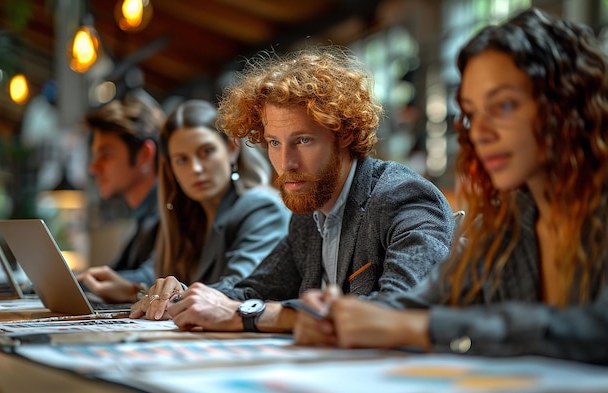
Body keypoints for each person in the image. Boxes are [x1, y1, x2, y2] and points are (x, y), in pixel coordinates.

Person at [293, 7, 608, 365]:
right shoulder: (504, 222)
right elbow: (426, 302)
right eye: (472, 114)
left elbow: (596, 329)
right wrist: (339, 316)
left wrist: (421, 329)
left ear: (566, 104)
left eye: (504, 105)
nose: (480, 134)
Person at [130, 45, 456, 333]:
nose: (286, 162)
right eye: (274, 143)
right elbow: (252, 291)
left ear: (344, 134)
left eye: (302, 140)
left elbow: (402, 311)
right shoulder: (309, 213)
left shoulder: (404, 199)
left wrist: (252, 315)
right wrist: (184, 297)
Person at [80, 99, 291, 304]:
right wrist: (134, 291)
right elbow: (156, 276)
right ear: (171, 168)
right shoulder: (184, 215)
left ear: (231, 148)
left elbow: (240, 290)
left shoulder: (262, 207)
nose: (196, 169)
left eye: (206, 152)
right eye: (182, 159)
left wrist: (141, 295)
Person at [76, 90, 164, 302]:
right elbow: (116, 272)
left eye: (106, 155)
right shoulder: (145, 215)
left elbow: (150, 276)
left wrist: (72, 283)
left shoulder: (169, 211)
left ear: (144, 154)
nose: (93, 168)